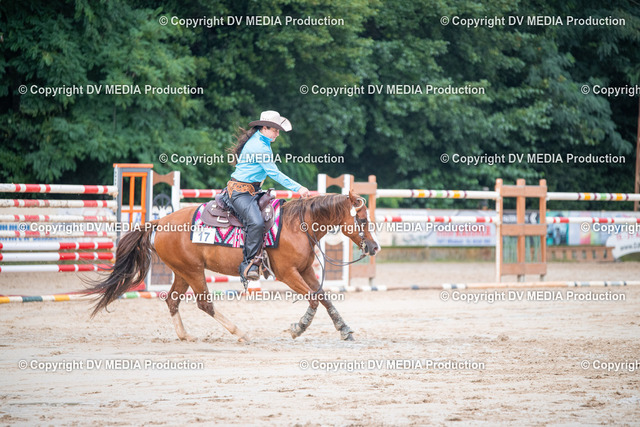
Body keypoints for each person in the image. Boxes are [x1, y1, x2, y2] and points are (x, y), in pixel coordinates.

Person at [225, 110, 310, 282]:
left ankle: (267, 258)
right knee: (256, 222)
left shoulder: (261, 141)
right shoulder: (259, 146)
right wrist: (298, 188)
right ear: (264, 128)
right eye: (275, 130)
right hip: (241, 192)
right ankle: (249, 264)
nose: (277, 134)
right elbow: (274, 173)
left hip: (251, 191)